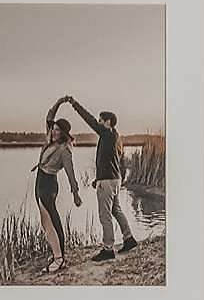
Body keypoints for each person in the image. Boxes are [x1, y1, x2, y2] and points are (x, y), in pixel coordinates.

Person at [63, 95, 136, 262]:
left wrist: (75, 104)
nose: (98, 123)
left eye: (101, 120)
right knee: (116, 210)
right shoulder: (115, 137)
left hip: (108, 182)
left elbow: (89, 120)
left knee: (105, 215)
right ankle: (129, 239)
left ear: (108, 122)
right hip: (114, 179)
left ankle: (108, 249)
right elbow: (112, 162)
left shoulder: (107, 134)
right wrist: (99, 178)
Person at [31, 97, 82, 274]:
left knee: (51, 220)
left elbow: (70, 172)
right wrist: (60, 102)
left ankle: (59, 259)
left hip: (48, 184)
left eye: (58, 130)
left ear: (64, 134)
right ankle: (57, 255)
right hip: (40, 181)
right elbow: (49, 116)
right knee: (46, 222)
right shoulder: (50, 138)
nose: (54, 131)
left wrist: (75, 193)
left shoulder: (64, 149)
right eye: (54, 128)